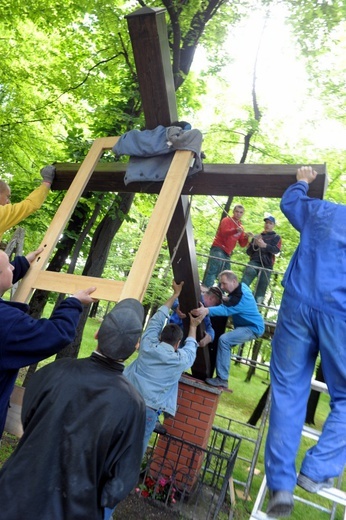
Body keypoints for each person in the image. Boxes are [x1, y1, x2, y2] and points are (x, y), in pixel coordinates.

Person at [0, 298, 146, 520]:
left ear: (97, 334)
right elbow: (121, 481)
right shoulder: (133, 405)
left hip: (12, 498)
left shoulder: (54, 371)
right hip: (74, 510)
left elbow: (28, 419)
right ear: (136, 347)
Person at [265, 166, 346, 517]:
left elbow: (290, 202)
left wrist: (301, 181)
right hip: (340, 315)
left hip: (298, 305)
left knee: (288, 390)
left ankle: (280, 485)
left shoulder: (323, 211)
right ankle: (315, 471)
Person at [0, 248, 96, 438]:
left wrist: (22, 264)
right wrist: (73, 303)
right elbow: (55, 334)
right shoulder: (7, 322)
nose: (12, 266)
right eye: (7, 266)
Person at [124, 280, 204, 455]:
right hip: (149, 412)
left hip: (125, 401)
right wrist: (193, 326)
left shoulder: (146, 346)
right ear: (177, 344)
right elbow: (191, 346)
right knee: (133, 455)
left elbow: (157, 319)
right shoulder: (179, 361)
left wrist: (175, 294)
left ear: (160, 336)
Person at [192, 270, 265, 388]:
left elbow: (226, 310)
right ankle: (220, 375)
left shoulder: (241, 298)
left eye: (224, 284)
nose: (222, 286)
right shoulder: (242, 287)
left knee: (224, 340)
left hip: (253, 328)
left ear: (234, 281)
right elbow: (232, 299)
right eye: (221, 284)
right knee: (224, 345)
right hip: (244, 326)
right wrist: (226, 298)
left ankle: (222, 379)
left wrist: (206, 310)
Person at [0, 165, 55, 242]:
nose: (8, 202)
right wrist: (47, 182)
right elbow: (31, 204)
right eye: (7, 197)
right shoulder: (1, 214)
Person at [203, 205, 249, 288]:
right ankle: (205, 289)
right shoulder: (226, 220)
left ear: (243, 214)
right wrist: (235, 230)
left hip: (227, 253)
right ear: (233, 212)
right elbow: (224, 232)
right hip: (218, 248)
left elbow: (242, 244)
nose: (238, 214)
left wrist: (246, 237)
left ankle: (220, 293)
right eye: (237, 211)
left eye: (241, 212)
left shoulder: (241, 227)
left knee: (227, 275)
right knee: (214, 268)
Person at [241, 215, 281, 303]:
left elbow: (276, 251)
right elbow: (248, 252)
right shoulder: (257, 236)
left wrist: (265, 246)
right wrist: (254, 244)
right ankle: (237, 299)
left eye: (270, 223)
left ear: (273, 225)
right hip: (254, 261)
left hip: (267, 265)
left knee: (262, 288)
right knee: (245, 280)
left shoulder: (276, 237)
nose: (267, 225)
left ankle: (256, 307)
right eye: (266, 223)